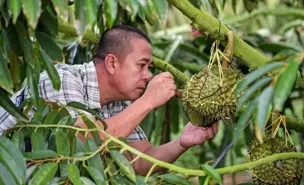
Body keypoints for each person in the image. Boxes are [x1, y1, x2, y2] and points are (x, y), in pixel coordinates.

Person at [0, 25, 218, 175]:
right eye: (141, 65)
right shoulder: (61, 79)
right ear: (112, 63)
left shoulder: (118, 103)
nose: (147, 76)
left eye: (149, 68)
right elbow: (80, 142)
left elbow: (139, 160)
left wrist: (182, 142)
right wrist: (148, 101)